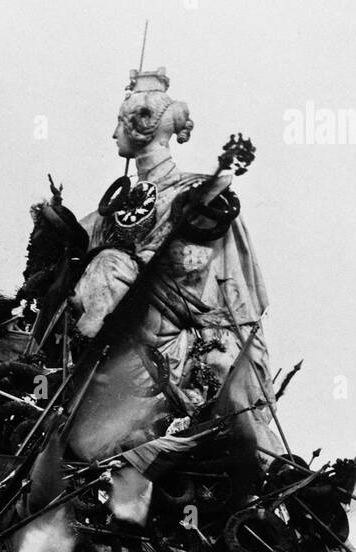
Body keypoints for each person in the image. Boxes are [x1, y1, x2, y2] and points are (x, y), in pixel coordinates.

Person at [67, 68, 279, 476]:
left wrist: (132, 265)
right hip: (119, 345)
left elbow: (202, 279)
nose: (113, 134)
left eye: (119, 123)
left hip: (182, 349)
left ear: (142, 126)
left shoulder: (194, 196)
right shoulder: (105, 215)